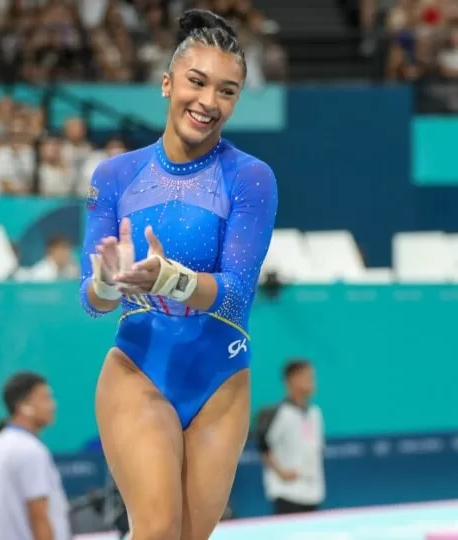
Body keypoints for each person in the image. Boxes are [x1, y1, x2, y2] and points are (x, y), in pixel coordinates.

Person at [78, 9, 278, 540]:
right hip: (140, 367)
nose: (209, 102)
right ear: (167, 84)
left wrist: (168, 278)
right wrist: (107, 281)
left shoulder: (251, 178)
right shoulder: (115, 175)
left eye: (227, 91)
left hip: (221, 379)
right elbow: (89, 298)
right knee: (158, 530)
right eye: (196, 82)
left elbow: (235, 296)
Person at [0, 372, 69, 540]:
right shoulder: (30, 450)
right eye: (45, 398)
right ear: (23, 405)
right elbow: (39, 517)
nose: (53, 405)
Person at [257, 359, 325, 515]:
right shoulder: (277, 413)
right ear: (292, 379)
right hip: (287, 493)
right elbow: (263, 445)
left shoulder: (315, 413)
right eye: (307, 377)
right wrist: (280, 471)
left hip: (313, 493)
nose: (312, 382)